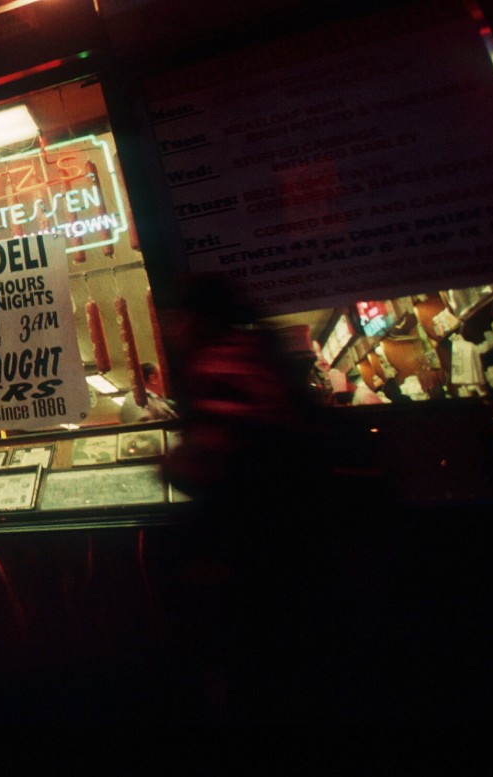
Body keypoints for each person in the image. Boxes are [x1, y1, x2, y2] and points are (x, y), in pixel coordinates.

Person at [158, 275, 346, 721]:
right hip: (301, 538)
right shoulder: (262, 354)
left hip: (254, 545)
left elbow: (209, 461)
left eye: (179, 319)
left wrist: (170, 465)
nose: (174, 329)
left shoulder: (220, 366)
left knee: (257, 665)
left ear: (199, 319)